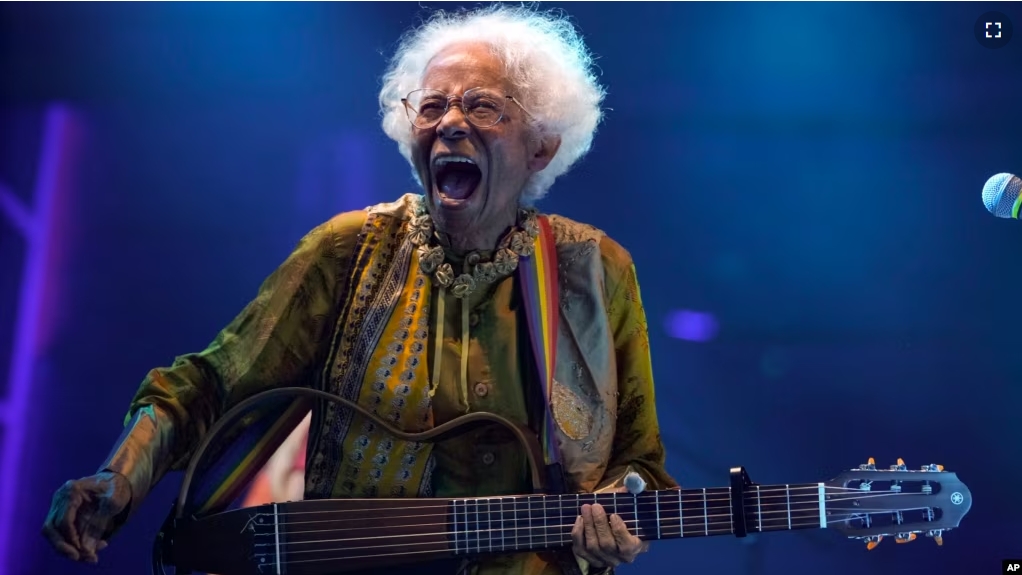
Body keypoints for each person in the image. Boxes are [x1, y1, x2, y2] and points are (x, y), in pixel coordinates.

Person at [41, 6, 676, 574]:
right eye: (432, 107)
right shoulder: (348, 249)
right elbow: (210, 385)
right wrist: (118, 477)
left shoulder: (594, 270)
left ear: (540, 146)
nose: (450, 122)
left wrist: (619, 521)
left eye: (481, 106)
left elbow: (639, 462)